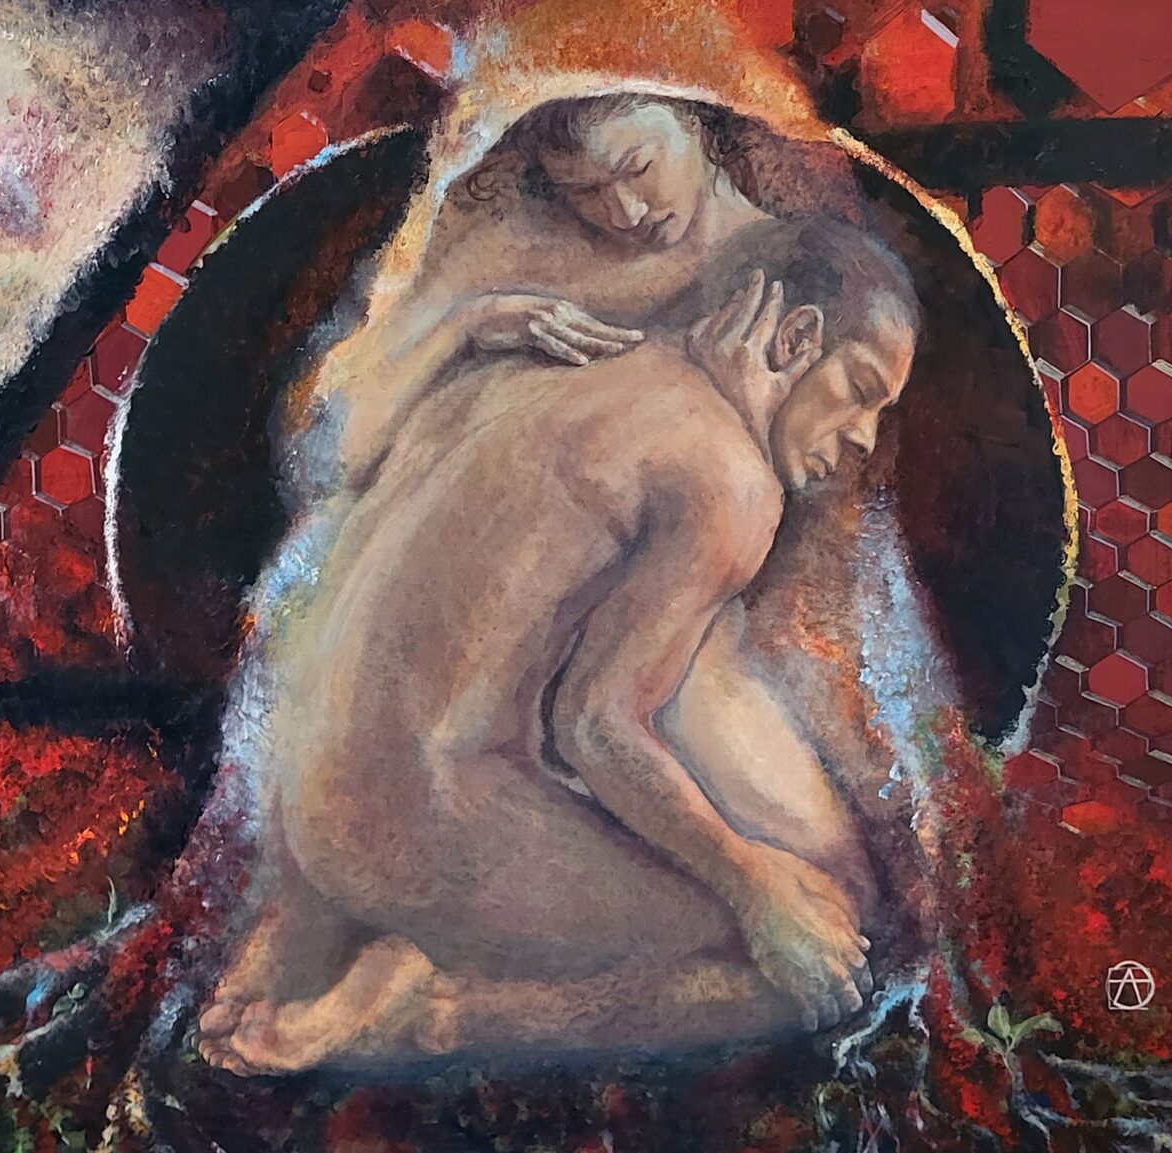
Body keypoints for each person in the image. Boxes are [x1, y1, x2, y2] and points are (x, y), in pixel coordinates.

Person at [197, 214, 921, 1075]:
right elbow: (596, 725)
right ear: (796, 338)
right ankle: (424, 1012)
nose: (864, 436)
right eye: (862, 389)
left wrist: (300, 904)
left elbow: (349, 608)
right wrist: (752, 884)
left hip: (310, 802)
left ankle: (313, 934)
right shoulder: (729, 476)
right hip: (412, 827)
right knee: (803, 954)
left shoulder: (538, 369)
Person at [324, 90, 784, 494]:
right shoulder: (512, 249)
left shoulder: (784, 260)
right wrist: (468, 324)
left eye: (637, 168)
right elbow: (339, 451)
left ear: (694, 119)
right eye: (584, 191)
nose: (624, 214)